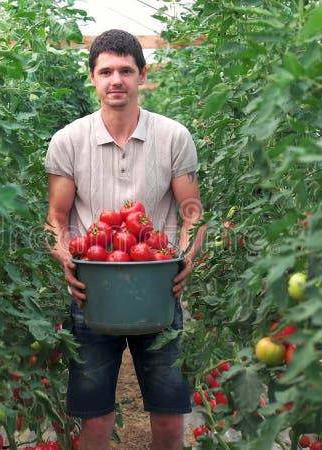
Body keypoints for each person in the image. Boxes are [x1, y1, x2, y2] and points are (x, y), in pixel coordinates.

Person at [44, 29, 206, 450]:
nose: (116, 80)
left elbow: (191, 212)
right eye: (106, 71)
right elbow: (56, 219)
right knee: (94, 424)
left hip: (157, 291)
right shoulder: (68, 141)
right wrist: (65, 258)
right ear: (92, 77)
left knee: (171, 421)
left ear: (142, 75)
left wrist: (186, 255)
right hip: (92, 292)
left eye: (126, 71)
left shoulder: (173, 136)